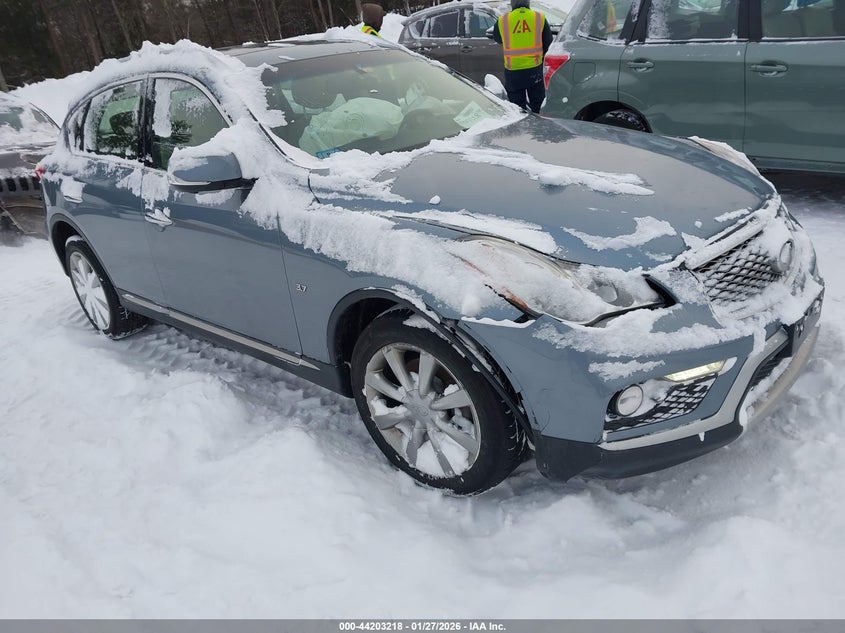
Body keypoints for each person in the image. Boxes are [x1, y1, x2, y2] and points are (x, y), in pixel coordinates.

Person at [492, 0, 553, 113]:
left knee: (517, 109)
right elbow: (548, 42)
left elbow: (497, 38)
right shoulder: (539, 18)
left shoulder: (503, 20)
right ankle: (538, 128)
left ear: (512, 3)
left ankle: (521, 129)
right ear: (528, 2)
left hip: (513, 72)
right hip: (534, 70)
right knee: (538, 106)